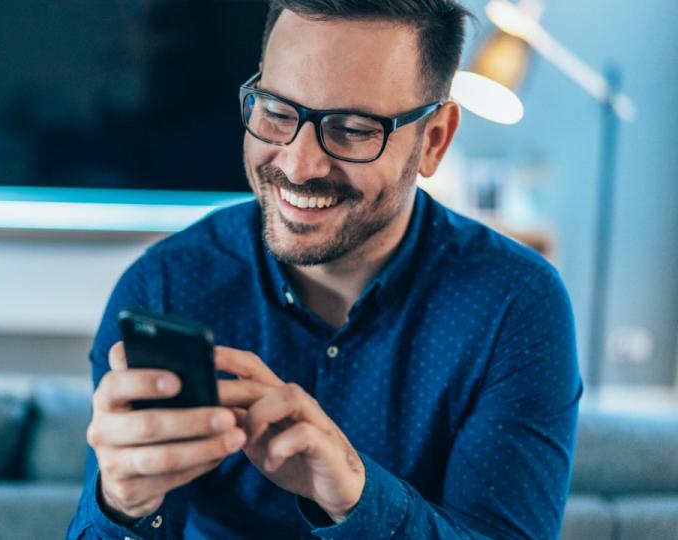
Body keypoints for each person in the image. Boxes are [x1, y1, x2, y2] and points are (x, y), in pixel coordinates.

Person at [68, 1, 582, 538]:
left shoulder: (515, 305)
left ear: (433, 141)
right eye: (277, 112)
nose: (297, 164)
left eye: (353, 129)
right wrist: (122, 505)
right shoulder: (165, 286)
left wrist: (356, 498)